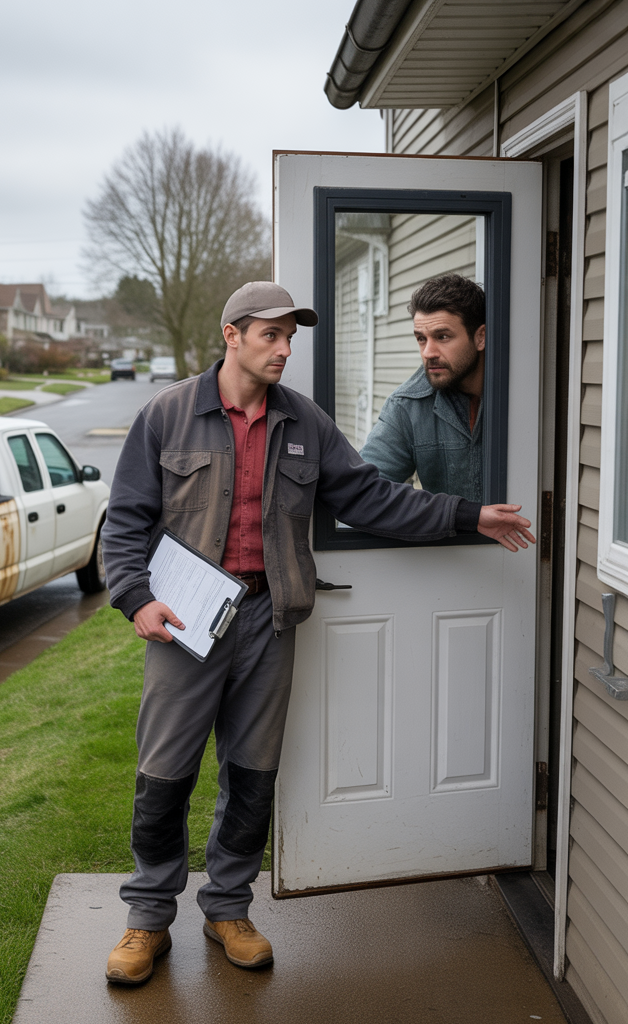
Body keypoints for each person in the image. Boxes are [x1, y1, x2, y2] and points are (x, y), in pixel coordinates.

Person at [100, 280, 534, 986]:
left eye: (290, 336)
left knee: (252, 774)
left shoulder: (304, 422)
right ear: (231, 334)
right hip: (183, 627)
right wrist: (136, 599)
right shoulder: (167, 416)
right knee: (164, 776)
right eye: (271, 334)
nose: (284, 348)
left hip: (269, 621)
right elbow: (124, 523)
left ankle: (227, 909)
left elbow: (369, 496)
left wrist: (467, 516)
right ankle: (147, 920)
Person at [359, 273, 486, 501]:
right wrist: (452, 513)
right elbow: (365, 492)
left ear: (480, 337)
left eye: (443, 336)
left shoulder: (522, 390)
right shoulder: (407, 405)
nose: (428, 352)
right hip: (453, 536)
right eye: (421, 338)